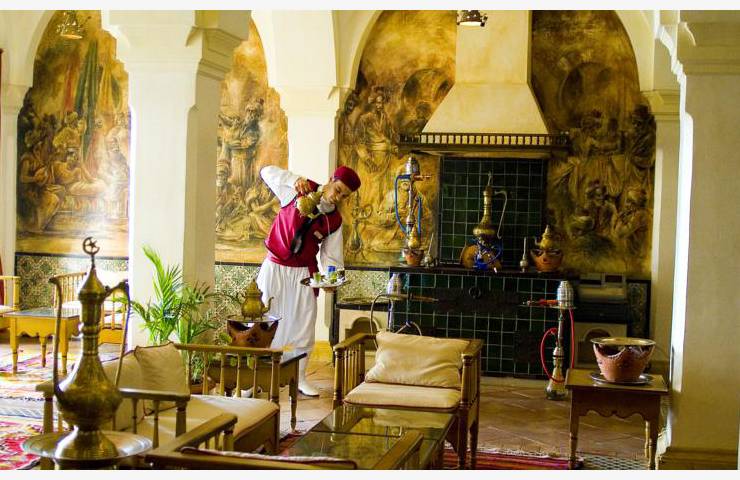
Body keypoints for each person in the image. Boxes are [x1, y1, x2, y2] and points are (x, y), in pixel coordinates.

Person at [257, 164, 361, 396]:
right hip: (274, 267)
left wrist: (332, 281)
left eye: (344, 196)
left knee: (304, 324)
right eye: (338, 189)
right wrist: (293, 179)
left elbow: (331, 256)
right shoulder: (297, 191)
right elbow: (266, 172)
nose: (338, 197)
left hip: (304, 273)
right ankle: (253, 378)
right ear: (331, 180)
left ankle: (300, 378)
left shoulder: (333, 221)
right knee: (262, 318)